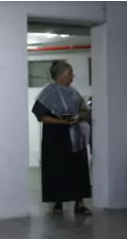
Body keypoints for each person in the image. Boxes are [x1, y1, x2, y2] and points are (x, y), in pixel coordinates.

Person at [32, 61, 93, 215]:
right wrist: (63, 122)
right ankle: (57, 201)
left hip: (75, 136)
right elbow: (41, 116)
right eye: (70, 74)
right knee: (57, 168)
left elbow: (84, 110)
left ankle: (79, 202)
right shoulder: (48, 93)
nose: (72, 77)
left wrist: (79, 117)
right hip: (55, 136)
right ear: (60, 75)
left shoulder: (73, 93)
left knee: (78, 169)